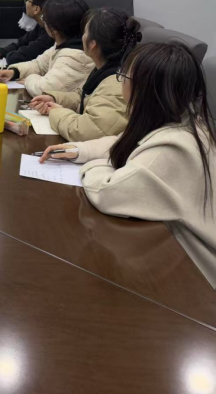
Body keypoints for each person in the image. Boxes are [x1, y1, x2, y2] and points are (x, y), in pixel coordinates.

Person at [39, 43, 216, 288]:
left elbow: (107, 192)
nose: (120, 81)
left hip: (196, 276)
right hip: (171, 251)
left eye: (124, 77)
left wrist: (94, 165)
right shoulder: (181, 120)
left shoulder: (172, 149)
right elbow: (126, 142)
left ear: (144, 89)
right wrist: (81, 151)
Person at [30, 9, 141, 141]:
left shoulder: (117, 84)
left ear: (93, 44)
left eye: (85, 32)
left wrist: (55, 112)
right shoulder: (106, 69)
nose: (82, 37)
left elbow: (84, 131)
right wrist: (54, 99)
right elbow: (84, 96)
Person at [0, 0, 94, 97]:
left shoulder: (74, 56)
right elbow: (39, 65)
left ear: (54, 28)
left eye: (44, 18)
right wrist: (14, 72)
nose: (43, 22)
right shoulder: (62, 44)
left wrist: (29, 79)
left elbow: (43, 89)